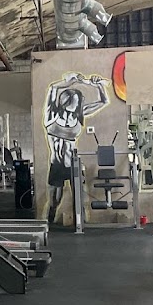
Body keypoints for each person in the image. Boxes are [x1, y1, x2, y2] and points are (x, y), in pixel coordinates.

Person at [43, 73, 108, 224]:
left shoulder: (79, 115)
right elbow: (53, 88)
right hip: (57, 165)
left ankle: (81, 226)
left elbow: (104, 101)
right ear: (65, 101)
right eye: (74, 100)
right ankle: (49, 226)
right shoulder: (52, 115)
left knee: (80, 200)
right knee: (54, 202)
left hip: (74, 164)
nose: (77, 104)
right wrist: (70, 82)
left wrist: (99, 85)